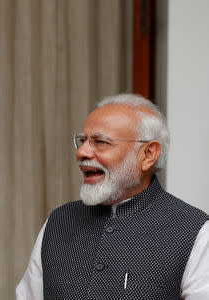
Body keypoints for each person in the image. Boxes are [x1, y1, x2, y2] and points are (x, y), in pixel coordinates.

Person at [16, 94, 209, 299]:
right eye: (82, 140)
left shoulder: (196, 232)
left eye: (100, 142)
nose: (81, 152)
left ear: (148, 154)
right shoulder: (58, 222)